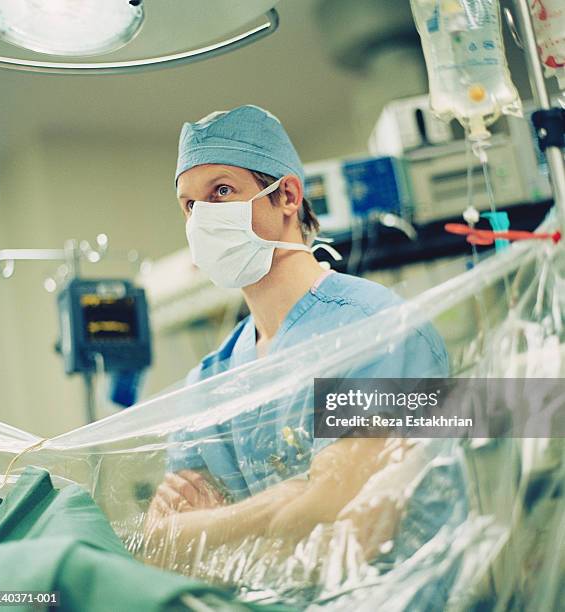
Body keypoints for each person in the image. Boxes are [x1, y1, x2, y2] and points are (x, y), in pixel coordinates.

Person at [143, 105, 451, 569]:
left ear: (286, 195)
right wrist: (277, 502)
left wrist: (225, 522)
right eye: (190, 205)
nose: (201, 218)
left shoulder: (376, 330)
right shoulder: (209, 384)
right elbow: (166, 545)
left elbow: (328, 525)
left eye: (221, 191)